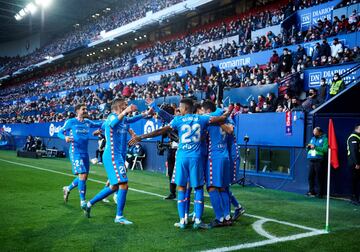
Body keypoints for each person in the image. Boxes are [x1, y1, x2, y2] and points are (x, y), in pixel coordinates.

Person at [129, 98, 229, 229]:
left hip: (182, 157)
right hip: (196, 157)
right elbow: (220, 119)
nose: (178, 110)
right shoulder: (202, 119)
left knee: (181, 187)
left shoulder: (178, 120)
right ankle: (198, 220)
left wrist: (140, 137)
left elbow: (160, 131)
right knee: (198, 188)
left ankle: (183, 220)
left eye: (180, 108)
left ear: (185, 109)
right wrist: (223, 113)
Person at [84, 99, 137, 224]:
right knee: (124, 184)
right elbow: (112, 123)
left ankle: (89, 204)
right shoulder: (111, 117)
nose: (126, 107)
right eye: (124, 105)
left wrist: (146, 114)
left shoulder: (123, 119)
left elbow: (130, 120)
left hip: (118, 155)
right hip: (112, 155)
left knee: (114, 186)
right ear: (119, 106)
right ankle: (119, 216)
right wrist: (125, 111)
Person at [58, 103, 102, 209]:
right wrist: (65, 138)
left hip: (85, 153)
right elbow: (59, 132)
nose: (86, 110)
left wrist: (100, 129)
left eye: (86, 109)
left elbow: (99, 124)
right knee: (82, 175)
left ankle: (67, 189)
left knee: (84, 177)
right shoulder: (71, 122)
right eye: (83, 109)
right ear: (77, 111)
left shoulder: (87, 122)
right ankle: (83, 201)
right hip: (75, 152)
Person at [306, 127, 328, 198]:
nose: (314, 133)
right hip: (311, 160)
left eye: (315, 131)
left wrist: (315, 147)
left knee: (319, 177)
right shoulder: (312, 138)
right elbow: (308, 148)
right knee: (310, 177)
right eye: (313, 131)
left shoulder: (325, 139)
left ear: (320, 132)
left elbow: (325, 150)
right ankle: (311, 192)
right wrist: (308, 147)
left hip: (319, 161)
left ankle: (320, 193)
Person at [347, 124, 360, 205]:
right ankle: (353, 198)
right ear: (357, 129)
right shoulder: (353, 137)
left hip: (357, 163)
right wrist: (357, 163)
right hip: (354, 163)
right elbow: (354, 151)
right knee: (355, 181)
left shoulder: (358, 137)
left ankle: (356, 197)